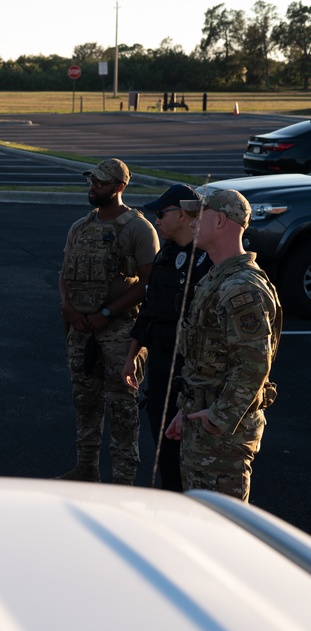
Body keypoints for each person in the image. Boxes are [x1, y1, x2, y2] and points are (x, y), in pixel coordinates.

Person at [166, 189, 281, 502]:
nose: (190, 222)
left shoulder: (241, 288)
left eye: (198, 216)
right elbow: (205, 357)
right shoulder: (217, 279)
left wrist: (218, 416)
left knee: (222, 533)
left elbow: (254, 366)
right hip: (203, 425)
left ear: (219, 220)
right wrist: (186, 409)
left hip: (223, 438)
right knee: (200, 524)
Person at [58, 158, 159, 484]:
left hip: (120, 333)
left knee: (122, 409)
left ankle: (123, 482)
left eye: (100, 183)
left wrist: (106, 313)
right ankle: (85, 468)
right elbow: (64, 273)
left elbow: (149, 284)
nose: (93, 187)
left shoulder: (138, 229)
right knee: (84, 402)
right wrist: (69, 308)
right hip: (81, 329)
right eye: (92, 181)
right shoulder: (80, 227)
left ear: (119, 187)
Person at [120, 184, 213, 491]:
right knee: (163, 443)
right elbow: (148, 310)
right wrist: (131, 357)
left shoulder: (209, 261)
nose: (156, 220)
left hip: (192, 370)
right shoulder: (166, 255)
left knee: (194, 449)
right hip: (161, 365)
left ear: (186, 215)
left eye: (162, 213)